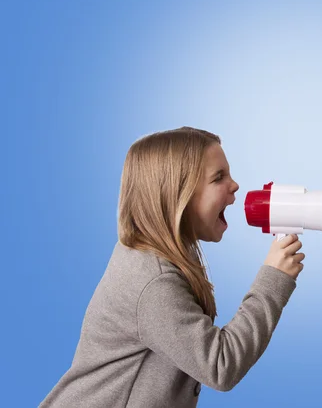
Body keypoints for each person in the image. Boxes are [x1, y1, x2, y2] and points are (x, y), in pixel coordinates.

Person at [41, 127, 304, 407]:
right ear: (177, 196)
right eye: (218, 177)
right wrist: (273, 281)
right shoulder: (153, 281)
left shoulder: (159, 256)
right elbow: (220, 365)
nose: (235, 185)